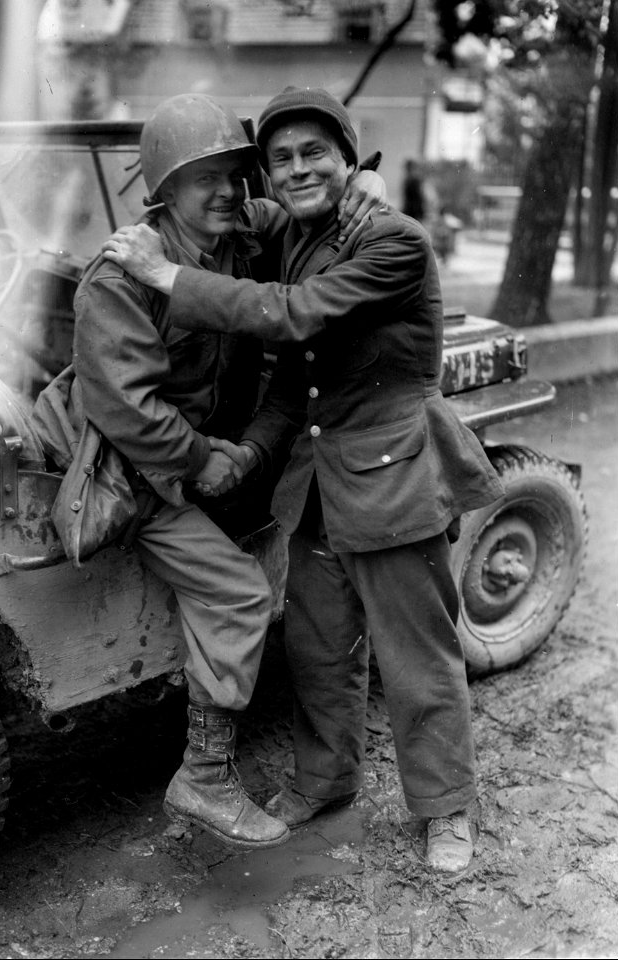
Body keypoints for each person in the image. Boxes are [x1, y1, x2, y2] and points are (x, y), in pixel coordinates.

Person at [101, 86, 505, 874]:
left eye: (315, 152)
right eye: (279, 159)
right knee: (320, 648)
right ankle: (326, 779)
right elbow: (292, 372)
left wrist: (165, 277)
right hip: (315, 481)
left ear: (349, 158)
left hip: (393, 474)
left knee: (416, 655)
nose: (296, 169)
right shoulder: (295, 232)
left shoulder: (394, 242)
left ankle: (447, 808)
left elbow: (296, 317)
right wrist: (254, 452)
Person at [72, 93, 386, 851]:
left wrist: (366, 190)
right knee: (242, 592)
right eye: (201, 178)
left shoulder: (248, 233)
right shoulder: (120, 278)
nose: (226, 191)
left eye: (234, 174)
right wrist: (205, 459)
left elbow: (316, 211)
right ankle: (204, 776)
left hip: (220, 454)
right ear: (162, 192)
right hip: (141, 468)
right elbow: (125, 408)